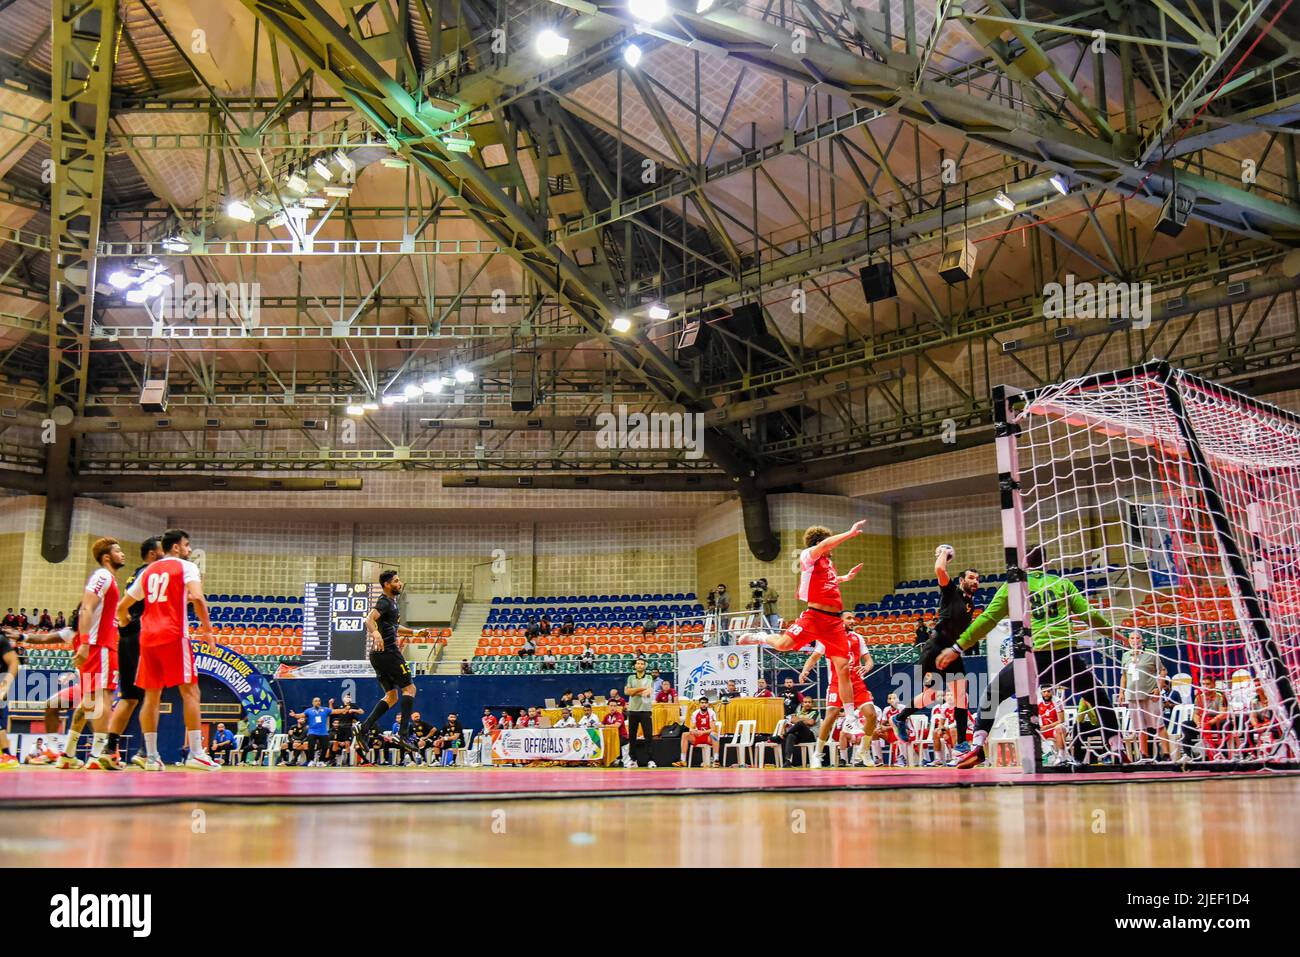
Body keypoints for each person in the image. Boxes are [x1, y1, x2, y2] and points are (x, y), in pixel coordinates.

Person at [940, 544, 1121, 769]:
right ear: (1046, 563)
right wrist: (1114, 633)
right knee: (1099, 697)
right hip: (1066, 657)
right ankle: (1117, 749)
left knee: (991, 695)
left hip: (1032, 658)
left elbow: (986, 620)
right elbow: (1090, 615)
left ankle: (977, 747)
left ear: (1023, 562)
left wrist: (957, 647)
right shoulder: (1062, 583)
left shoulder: (1014, 587)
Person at [740, 522, 866, 724]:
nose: (831, 548)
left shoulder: (828, 564)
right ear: (820, 543)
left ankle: (850, 716)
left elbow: (829, 580)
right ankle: (760, 636)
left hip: (833, 623)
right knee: (783, 645)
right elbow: (824, 547)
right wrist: (849, 534)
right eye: (827, 544)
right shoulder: (808, 555)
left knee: (843, 668)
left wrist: (845, 577)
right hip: (813, 617)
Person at [115, 528, 220, 771]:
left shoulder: (149, 570)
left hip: (147, 637)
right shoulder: (187, 567)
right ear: (176, 547)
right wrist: (207, 631)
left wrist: (124, 623)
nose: (190, 549)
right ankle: (195, 753)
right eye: (187, 544)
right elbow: (198, 597)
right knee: (191, 692)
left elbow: (123, 606)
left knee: (151, 697)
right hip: (173, 635)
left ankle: (151, 756)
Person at [893, 546, 978, 757]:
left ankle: (961, 744)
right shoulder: (951, 592)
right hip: (936, 647)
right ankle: (900, 718)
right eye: (971, 577)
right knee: (930, 695)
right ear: (961, 581)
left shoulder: (970, 602)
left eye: (977, 579)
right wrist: (944, 553)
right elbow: (939, 569)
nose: (975, 581)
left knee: (961, 697)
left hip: (953, 652)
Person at [98, 536, 164, 770]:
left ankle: (109, 750)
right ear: (153, 554)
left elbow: (123, 609)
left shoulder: (135, 573)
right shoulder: (153, 573)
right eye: (162, 550)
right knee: (151, 696)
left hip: (127, 637)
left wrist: (126, 626)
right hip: (143, 635)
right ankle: (147, 753)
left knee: (129, 697)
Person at [66, 537, 126, 769]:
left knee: (89, 702)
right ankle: (99, 755)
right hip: (99, 646)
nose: (123, 554)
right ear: (107, 557)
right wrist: (84, 643)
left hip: (100, 646)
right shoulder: (102, 576)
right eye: (118, 551)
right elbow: (86, 607)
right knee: (103, 699)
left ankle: (68, 755)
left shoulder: (109, 580)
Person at [353, 570, 425, 756]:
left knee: (391, 697)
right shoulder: (384, 601)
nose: (400, 583)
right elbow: (369, 619)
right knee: (410, 689)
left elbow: (395, 628)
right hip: (389, 652)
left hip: (377, 655)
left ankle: (363, 729)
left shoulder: (391, 604)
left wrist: (416, 633)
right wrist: (375, 633)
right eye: (396, 581)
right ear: (387, 584)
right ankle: (402, 734)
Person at [798, 609, 877, 767]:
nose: (853, 621)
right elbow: (814, 657)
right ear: (840, 621)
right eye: (849, 618)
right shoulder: (828, 637)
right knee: (830, 718)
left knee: (871, 716)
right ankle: (818, 754)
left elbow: (869, 660)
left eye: (853, 618)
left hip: (856, 684)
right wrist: (805, 670)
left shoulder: (858, 638)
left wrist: (867, 667)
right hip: (836, 683)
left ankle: (864, 750)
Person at [1119, 630, 1161, 762]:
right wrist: (1121, 692)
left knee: (1157, 726)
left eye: (1137, 638)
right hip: (1133, 696)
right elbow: (1124, 676)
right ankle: (1144, 755)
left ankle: (1162, 754)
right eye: (1131, 638)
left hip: (1149, 695)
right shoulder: (1125, 656)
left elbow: (1162, 671)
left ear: (1141, 640)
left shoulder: (1150, 654)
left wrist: (1158, 688)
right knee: (1140, 727)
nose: (1134, 640)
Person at [624, 656, 656, 767]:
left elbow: (647, 693)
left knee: (648, 736)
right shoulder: (630, 678)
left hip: (645, 710)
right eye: (638, 663)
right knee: (632, 736)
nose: (640, 665)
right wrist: (639, 690)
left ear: (645, 666)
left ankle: (650, 760)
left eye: (642, 664)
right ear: (635, 666)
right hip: (633, 710)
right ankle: (633, 760)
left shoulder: (649, 678)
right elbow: (627, 692)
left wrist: (633, 691)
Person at [674, 696, 719, 767]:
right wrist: (694, 731)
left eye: (705, 703)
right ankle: (683, 760)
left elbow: (712, 729)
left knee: (714, 734)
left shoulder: (711, 713)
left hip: (708, 737)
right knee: (685, 734)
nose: (704, 704)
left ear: (708, 704)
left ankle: (716, 760)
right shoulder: (695, 713)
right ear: (699, 704)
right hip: (698, 736)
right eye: (702, 703)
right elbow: (691, 728)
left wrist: (702, 732)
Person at [291, 697, 332, 767]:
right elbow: (301, 715)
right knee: (310, 746)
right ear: (313, 703)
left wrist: (344, 710)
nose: (317, 702)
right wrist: (295, 715)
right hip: (312, 732)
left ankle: (321, 761)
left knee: (325, 747)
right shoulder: (308, 710)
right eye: (316, 701)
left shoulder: (325, 709)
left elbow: (335, 711)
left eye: (319, 701)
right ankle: (311, 761)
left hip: (323, 732)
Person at [1038, 687, 1067, 765]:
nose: (1046, 693)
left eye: (1048, 691)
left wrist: (1046, 727)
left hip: (1055, 729)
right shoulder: (1038, 702)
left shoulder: (1057, 701)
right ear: (1041, 693)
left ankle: (1061, 756)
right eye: (1044, 691)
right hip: (1043, 730)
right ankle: (1038, 757)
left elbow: (1061, 720)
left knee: (1059, 728)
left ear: (1052, 692)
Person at [603, 700, 631, 766]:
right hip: (612, 737)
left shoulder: (620, 715)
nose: (613, 707)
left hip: (622, 737)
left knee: (615, 740)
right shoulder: (606, 716)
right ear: (608, 707)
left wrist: (604, 725)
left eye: (615, 706)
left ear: (617, 707)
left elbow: (616, 725)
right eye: (611, 706)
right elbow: (601, 725)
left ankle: (619, 759)